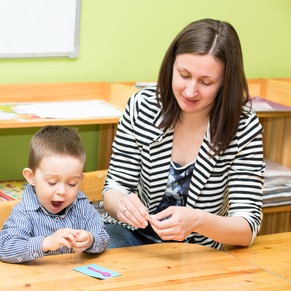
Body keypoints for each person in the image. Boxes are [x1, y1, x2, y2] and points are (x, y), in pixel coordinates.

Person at [102, 18, 265, 250]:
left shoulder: (243, 126)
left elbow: (247, 227)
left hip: (197, 249)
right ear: (171, 66)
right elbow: (114, 186)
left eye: (206, 82)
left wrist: (198, 221)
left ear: (225, 83)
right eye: (184, 75)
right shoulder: (143, 106)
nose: (190, 91)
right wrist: (122, 205)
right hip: (130, 237)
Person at [0, 125, 110, 263]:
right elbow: (4, 248)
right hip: (34, 280)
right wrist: (46, 243)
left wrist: (90, 240)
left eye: (72, 183)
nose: (62, 192)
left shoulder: (82, 206)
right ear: (31, 177)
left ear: (80, 179)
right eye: (52, 182)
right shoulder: (24, 212)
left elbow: (103, 235)